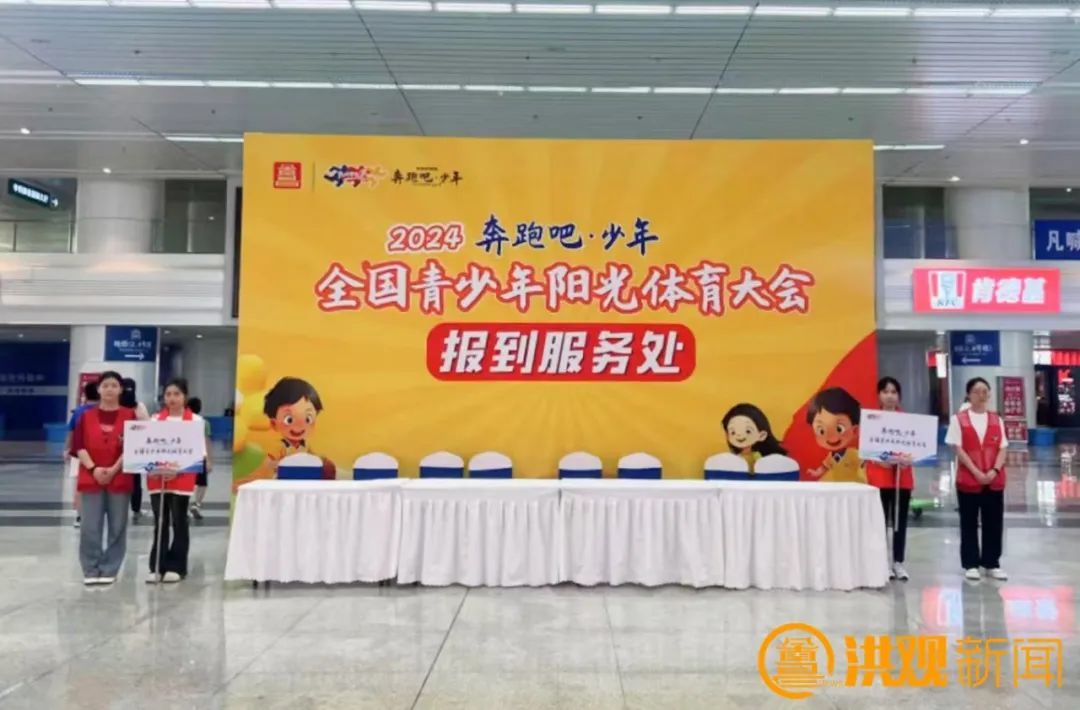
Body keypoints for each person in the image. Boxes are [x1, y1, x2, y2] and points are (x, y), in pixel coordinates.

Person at [72, 371, 136, 586]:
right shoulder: (85, 416)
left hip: (120, 477)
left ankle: (110, 568)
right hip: (91, 478)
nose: (109, 389)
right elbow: (79, 446)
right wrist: (94, 469)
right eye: (105, 385)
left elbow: (134, 446)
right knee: (90, 525)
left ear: (121, 389)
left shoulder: (130, 415)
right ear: (98, 389)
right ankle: (90, 567)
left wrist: (114, 469)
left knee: (118, 525)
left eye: (114, 385)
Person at [945, 377, 1009, 582]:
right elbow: (958, 449)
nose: (981, 395)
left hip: (994, 479)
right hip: (969, 479)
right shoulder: (959, 419)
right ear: (969, 395)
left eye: (984, 391)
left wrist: (994, 470)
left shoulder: (996, 419)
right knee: (969, 521)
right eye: (976, 391)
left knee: (994, 521)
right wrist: (976, 472)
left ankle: (991, 562)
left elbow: (1003, 448)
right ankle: (971, 564)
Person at [146, 378, 206, 584]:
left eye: (177, 394)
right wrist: (158, 468)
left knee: (179, 521)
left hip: (183, 479)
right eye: (168, 394)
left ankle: (177, 566)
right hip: (157, 479)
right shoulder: (155, 421)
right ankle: (157, 565)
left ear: (185, 397)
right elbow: (145, 450)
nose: (172, 398)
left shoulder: (195, 421)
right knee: (160, 522)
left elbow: (198, 452)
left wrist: (178, 470)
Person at [864, 377, 914, 582]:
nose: (890, 396)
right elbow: (866, 449)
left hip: (902, 478)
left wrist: (908, 458)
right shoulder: (872, 420)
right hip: (880, 477)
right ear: (879, 395)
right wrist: (880, 459)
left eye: (893, 392)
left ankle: (898, 562)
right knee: (880, 522)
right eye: (885, 392)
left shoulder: (908, 421)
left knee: (900, 523)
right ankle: (882, 563)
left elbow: (916, 447)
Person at [806, 387, 866, 482]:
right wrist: (816, 473)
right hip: (836, 484)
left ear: (855, 430)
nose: (831, 437)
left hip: (851, 484)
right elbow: (825, 467)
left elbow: (863, 466)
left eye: (839, 429)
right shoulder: (831, 456)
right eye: (821, 431)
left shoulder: (854, 454)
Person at [65, 381, 99, 529]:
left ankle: (79, 516)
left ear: (85, 394)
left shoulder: (78, 411)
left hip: (78, 451)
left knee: (80, 485)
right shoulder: (102, 410)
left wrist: (67, 449)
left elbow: (71, 432)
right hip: (98, 453)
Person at [721, 403, 786, 474]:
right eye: (733, 432)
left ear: (762, 435)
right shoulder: (735, 458)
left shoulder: (758, 457)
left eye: (748, 431)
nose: (739, 435)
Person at [121, 378, 150, 521]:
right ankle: (136, 509)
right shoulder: (139, 407)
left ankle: (119, 510)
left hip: (120, 449)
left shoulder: (115, 406)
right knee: (135, 482)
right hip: (133, 449)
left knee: (120, 481)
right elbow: (147, 426)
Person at [187, 397, 213, 520]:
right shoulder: (204, 422)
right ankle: (196, 504)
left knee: (186, 483)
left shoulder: (184, 421)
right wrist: (209, 460)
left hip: (186, 455)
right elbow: (206, 441)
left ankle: (184, 506)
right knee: (202, 483)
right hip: (200, 456)